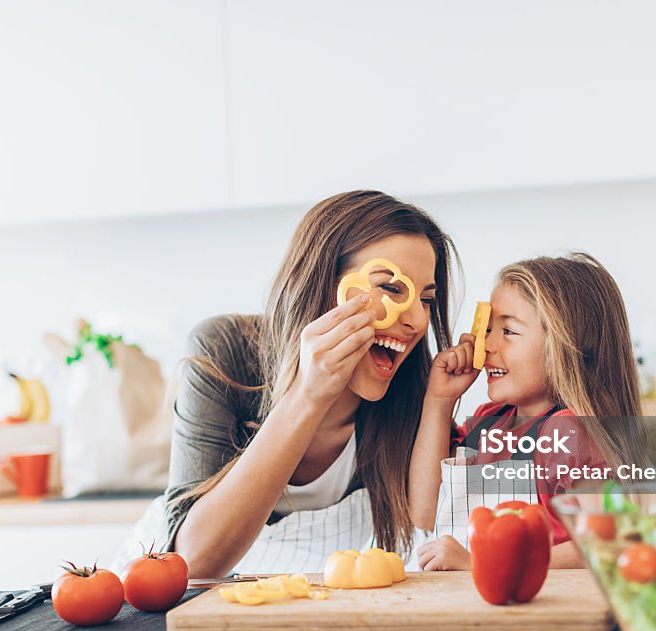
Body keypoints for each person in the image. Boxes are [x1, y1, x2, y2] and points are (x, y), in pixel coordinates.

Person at [164, 190, 460, 577]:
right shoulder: (224, 350)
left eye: (426, 299)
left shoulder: (413, 390)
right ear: (321, 283)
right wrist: (309, 394)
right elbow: (194, 564)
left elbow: (425, 526)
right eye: (390, 289)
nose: (418, 322)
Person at [408, 252, 646, 570]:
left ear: (565, 345)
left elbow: (606, 542)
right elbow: (425, 512)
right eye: (488, 330)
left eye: (508, 331)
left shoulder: (569, 432)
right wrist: (439, 400)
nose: (487, 346)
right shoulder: (489, 422)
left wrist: (484, 562)